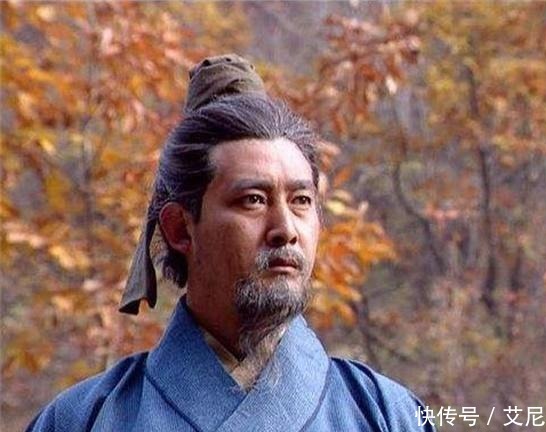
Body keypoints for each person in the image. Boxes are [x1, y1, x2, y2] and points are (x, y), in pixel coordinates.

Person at [27, 54, 435, 432]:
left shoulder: (387, 414)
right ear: (180, 229)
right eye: (253, 200)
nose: (285, 229)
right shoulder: (83, 419)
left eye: (301, 201)